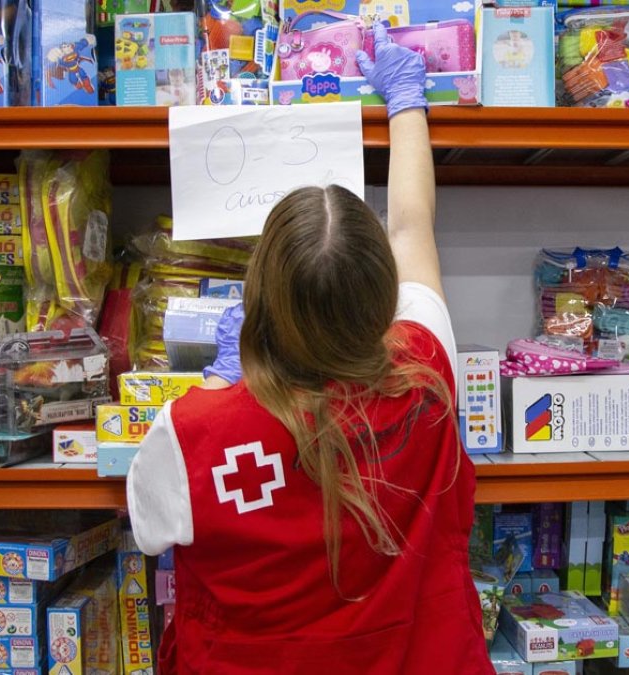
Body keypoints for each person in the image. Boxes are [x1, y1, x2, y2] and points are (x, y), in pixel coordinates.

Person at [127, 21, 493, 675]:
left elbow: (151, 529)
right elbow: (413, 226)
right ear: (384, 299)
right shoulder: (427, 369)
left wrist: (219, 385)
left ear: (258, 295)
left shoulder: (191, 432)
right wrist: (407, 102)